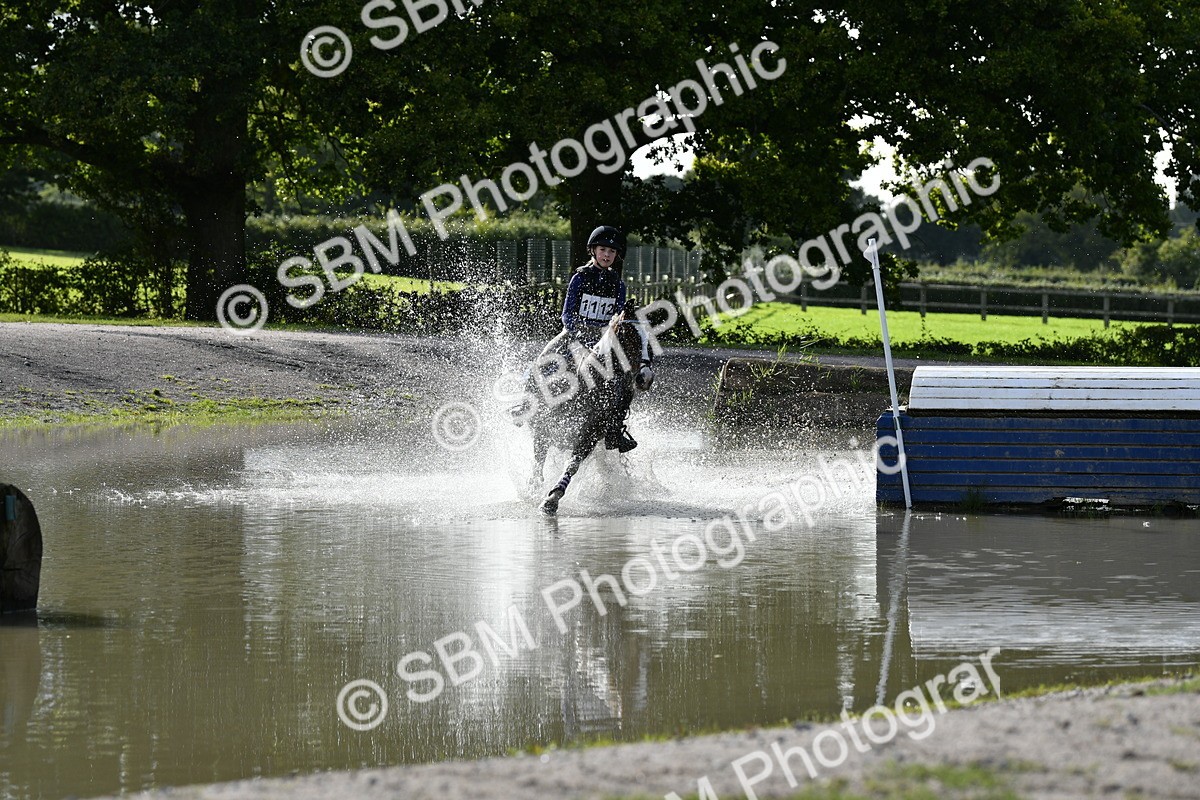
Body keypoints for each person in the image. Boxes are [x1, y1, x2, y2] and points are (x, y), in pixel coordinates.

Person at [513, 225, 653, 452]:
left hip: (603, 340)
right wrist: (579, 336)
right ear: (593, 251)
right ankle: (526, 402)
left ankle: (616, 429)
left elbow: (617, 318)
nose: (607, 255)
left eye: (612, 252)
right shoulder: (580, 278)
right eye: (603, 250)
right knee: (545, 358)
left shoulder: (618, 285)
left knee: (624, 376)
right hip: (574, 334)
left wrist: (607, 338)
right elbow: (567, 315)